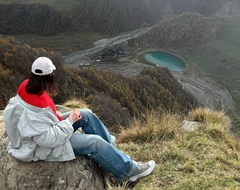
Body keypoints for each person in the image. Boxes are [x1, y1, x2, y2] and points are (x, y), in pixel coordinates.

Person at [3, 56, 155, 183]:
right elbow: (46, 140)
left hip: (48, 129)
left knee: (85, 114)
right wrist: (69, 121)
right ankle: (129, 172)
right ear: (49, 76)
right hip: (41, 146)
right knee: (94, 142)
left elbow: (42, 121)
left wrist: (71, 119)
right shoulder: (38, 106)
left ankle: (111, 156)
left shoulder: (26, 87)